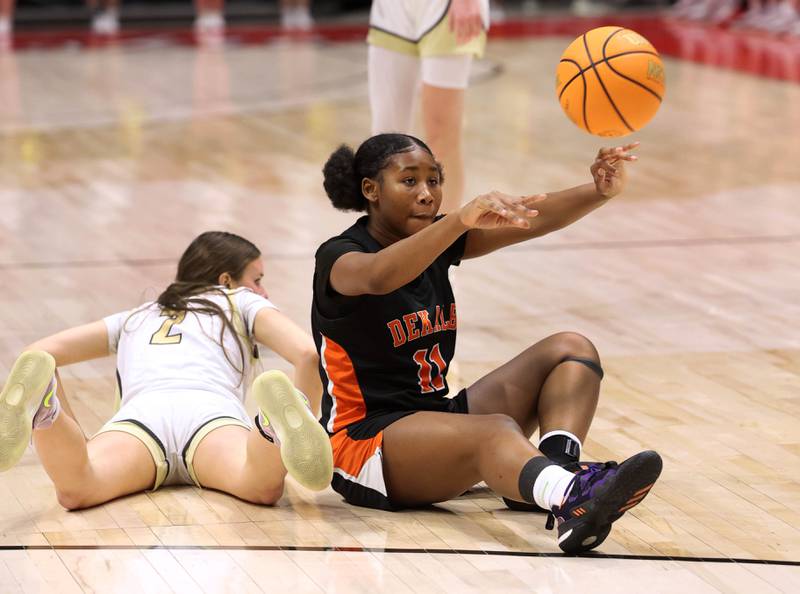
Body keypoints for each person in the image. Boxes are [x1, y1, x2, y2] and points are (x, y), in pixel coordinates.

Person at [313, 133, 663, 554]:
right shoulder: (341, 257)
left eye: (434, 180)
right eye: (410, 182)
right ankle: (570, 496)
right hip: (365, 447)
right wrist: (459, 221)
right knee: (495, 430)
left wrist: (598, 191)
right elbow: (379, 277)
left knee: (571, 349)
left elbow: (533, 216)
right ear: (371, 190)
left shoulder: (439, 238)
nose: (427, 194)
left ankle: (553, 476)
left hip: (434, 419)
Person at [0, 231, 332, 509]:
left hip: (142, 418)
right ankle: (271, 428)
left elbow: (39, 352)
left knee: (79, 487)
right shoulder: (239, 300)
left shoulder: (137, 315)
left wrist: (78, 436)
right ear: (226, 280)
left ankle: (47, 414)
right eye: (257, 280)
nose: (263, 291)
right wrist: (305, 412)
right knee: (258, 485)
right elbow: (306, 354)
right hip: (209, 415)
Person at [367, 0, 490, 213]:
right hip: (392, 9)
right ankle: (386, 239)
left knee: (441, 134)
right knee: (384, 140)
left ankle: (446, 239)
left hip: (444, 8)